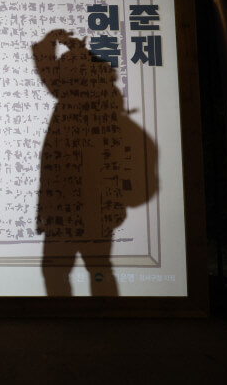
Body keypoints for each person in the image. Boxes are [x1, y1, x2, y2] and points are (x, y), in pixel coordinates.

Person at [34, 30, 155, 296]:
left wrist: (56, 42)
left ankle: (69, 317)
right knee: (97, 268)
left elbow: (47, 70)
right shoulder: (105, 109)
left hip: (67, 207)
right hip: (95, 208)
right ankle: (104, 314)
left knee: (59, 270)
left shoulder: (71, 101)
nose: (60, 74)